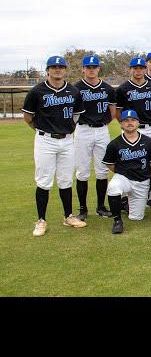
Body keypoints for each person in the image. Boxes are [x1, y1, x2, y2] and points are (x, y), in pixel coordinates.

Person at [23, 55, 87, 236]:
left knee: (66, 179)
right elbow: (28, 117)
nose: (57, 69)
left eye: (61, 67)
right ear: (48, 70)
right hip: (45, 140)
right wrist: (41, 130)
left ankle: (68, 216)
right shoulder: (37, 91)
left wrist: (68, 129)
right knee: (44, 180)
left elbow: (76, 115)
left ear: (65, 70)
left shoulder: (73, 91)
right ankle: (41, 220)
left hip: (67, 140)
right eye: (53, 67)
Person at [73, 55, 116, 221]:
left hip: (102, 130)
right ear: (83, 69)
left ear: (99, 69)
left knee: (102, 170)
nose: (91, 70)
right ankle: (83, 209)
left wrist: (103, 123)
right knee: (82, 171)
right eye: (88, 67)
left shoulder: (107, 88)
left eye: (94, 67)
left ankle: (100, 206)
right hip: (83, 130)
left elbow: (112, 111)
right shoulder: (76, 88)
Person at [102, 109, 151, 233]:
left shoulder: (148, 141)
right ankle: (117, 221)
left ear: (138, 122)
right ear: (121, 124)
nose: (129, 123)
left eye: (133, 120)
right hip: (124, 178)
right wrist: (123, 172)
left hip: (142, 181)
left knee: (136, 217)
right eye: (126, 120)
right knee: (113, 187)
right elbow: (110, 165)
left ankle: (123, 204)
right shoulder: (114, 144)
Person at [115, 57, 151, 142]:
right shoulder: (122, 89)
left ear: (145, 70)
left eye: (141, 68)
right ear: (130, 70)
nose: (138, 71)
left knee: (150, 154)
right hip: (129, 129)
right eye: (135, 68)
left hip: (148, 129)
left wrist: (149, 120)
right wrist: (124, 125)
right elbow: (118, 111)